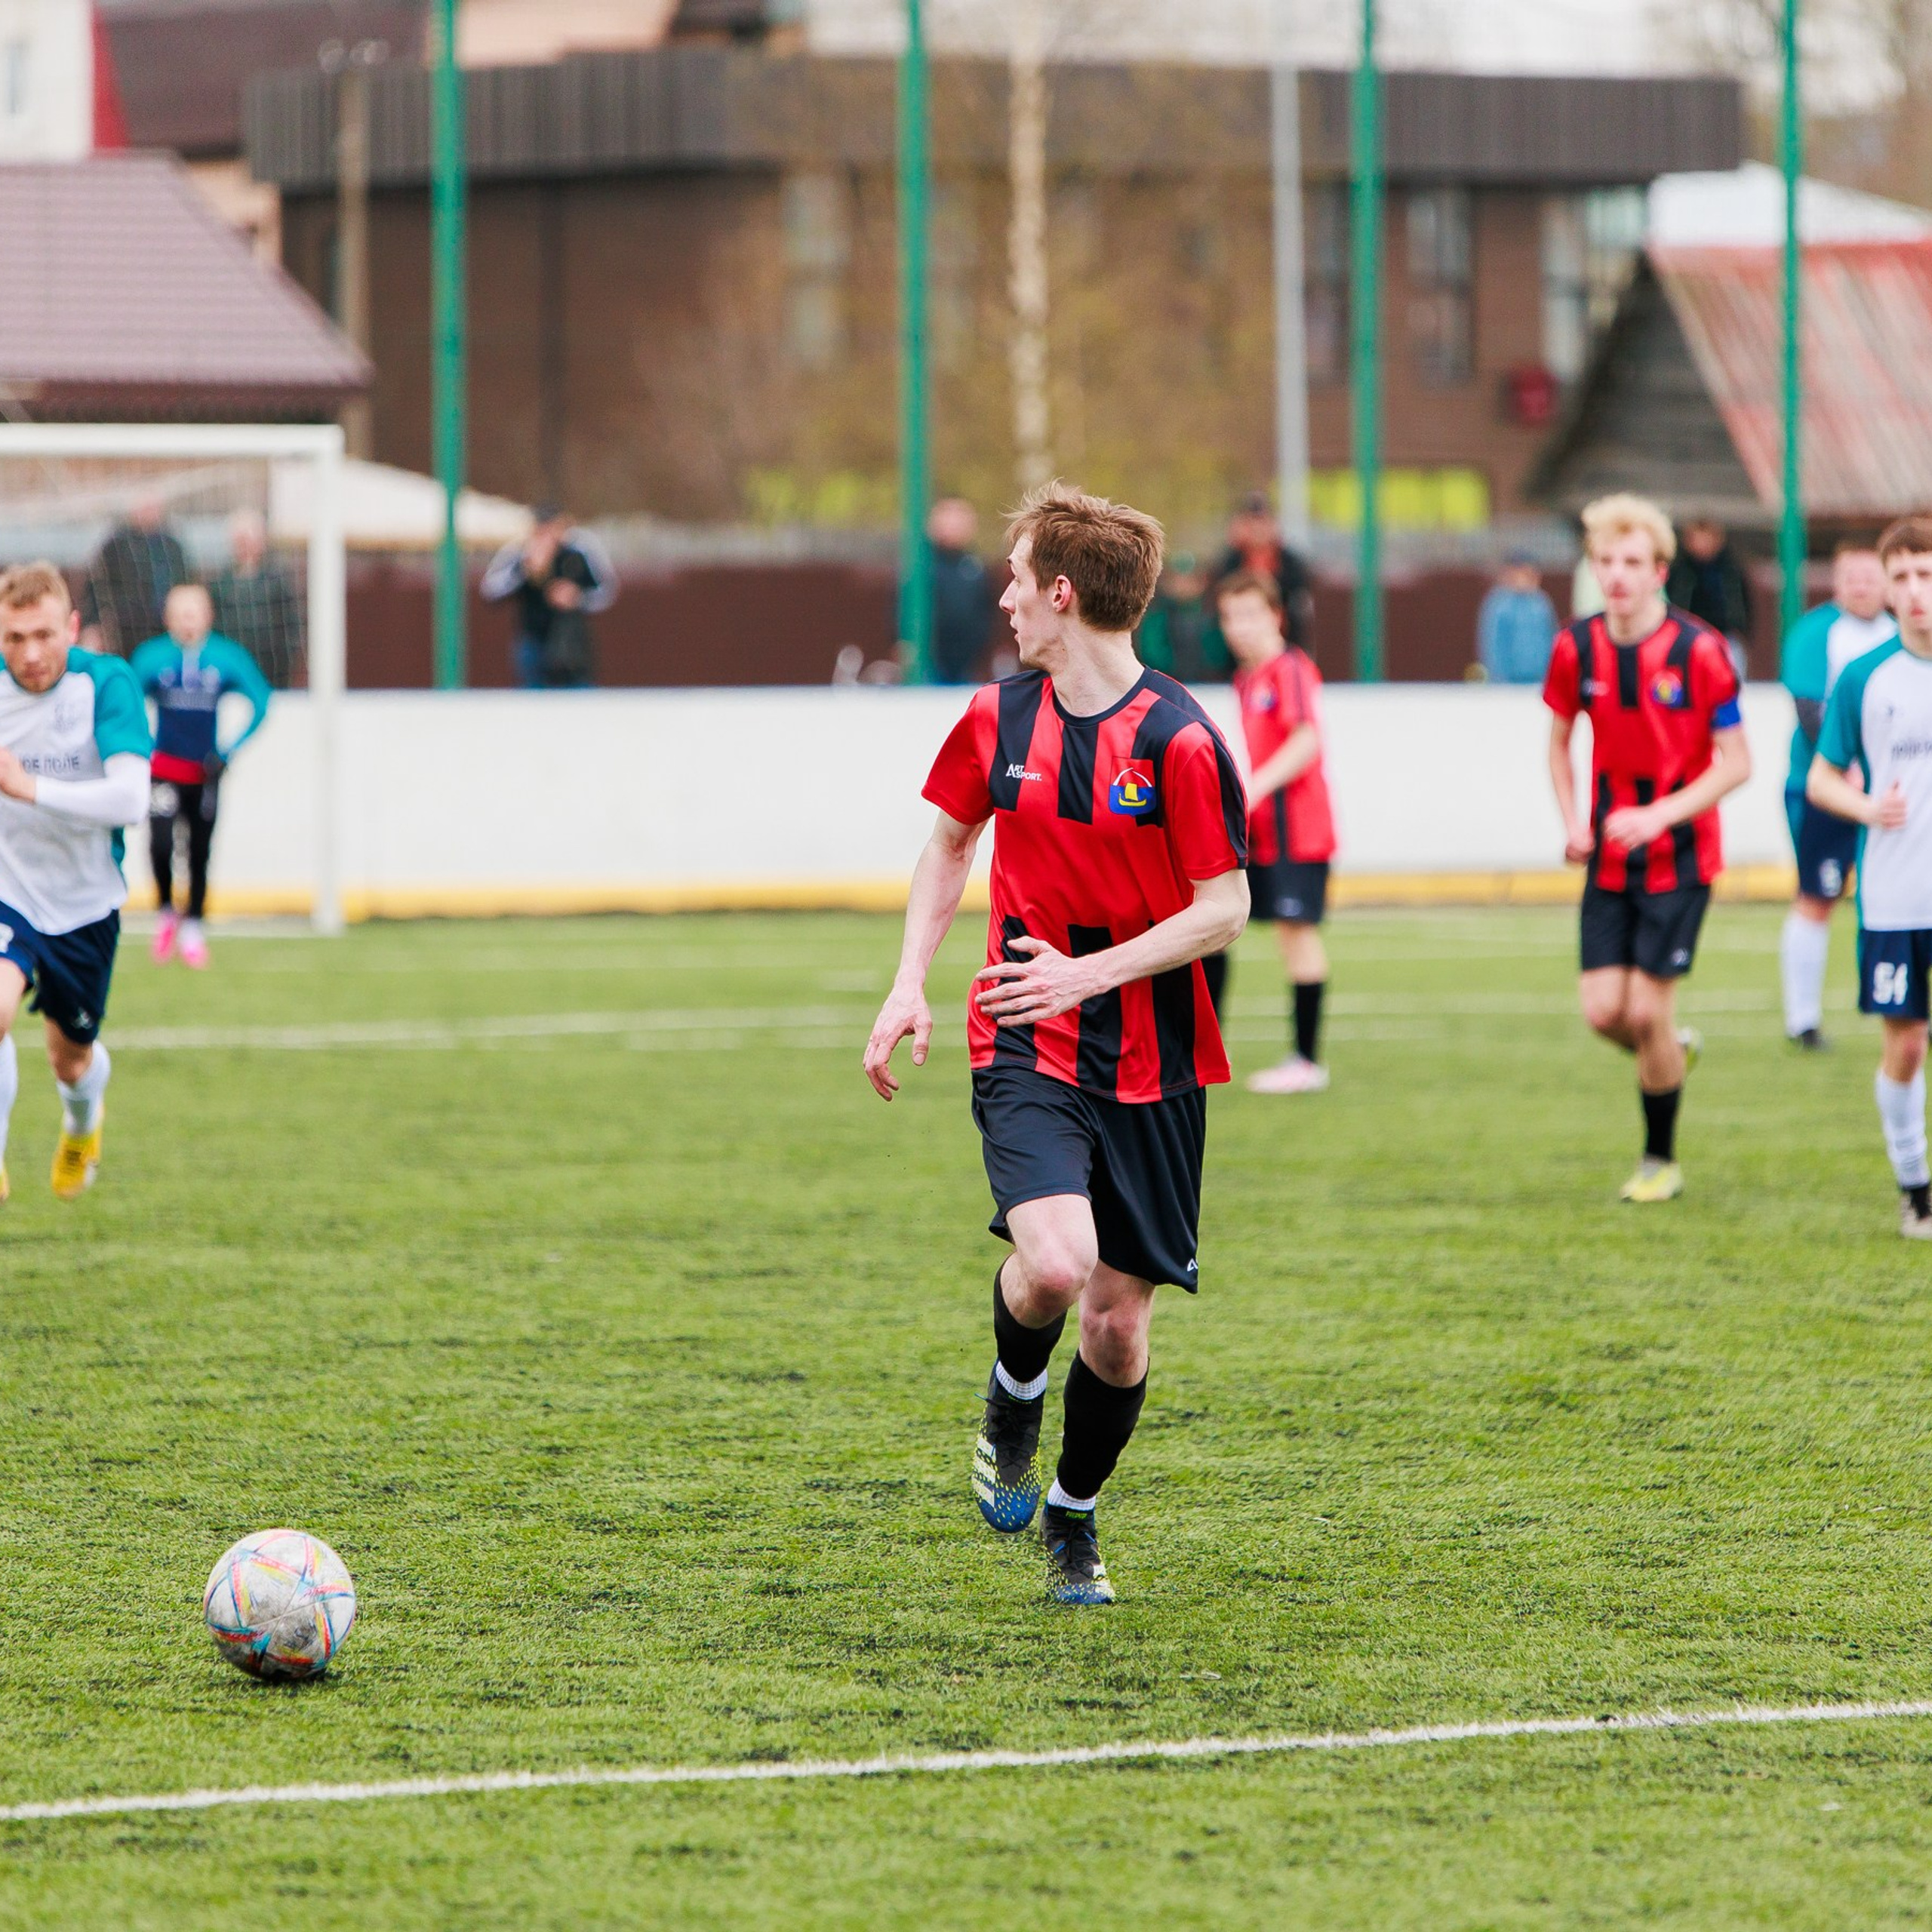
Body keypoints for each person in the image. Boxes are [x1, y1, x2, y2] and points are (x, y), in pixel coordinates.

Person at [862, 482, 1248, 1606]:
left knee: (1120, 1326)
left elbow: (1223, 905)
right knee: (1057, 1265)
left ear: (1062, 594)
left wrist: (1094, 969)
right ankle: (1009, 1390)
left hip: (1159, 1059)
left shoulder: (1179, 739)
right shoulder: (996, 719)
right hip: (1025, 1034)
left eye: (1019, 577)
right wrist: (906, 986)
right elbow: (947, 845)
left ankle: (1075, 1518)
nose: (1004, 596)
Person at [1543, 493, 1752, 1204]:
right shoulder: (1576, 646)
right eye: (1605, 561)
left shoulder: (1701, 651)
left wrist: (1661, 815)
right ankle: (1671, 1051)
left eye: (1633, 562)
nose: (1618, 575)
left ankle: (1660, 1159)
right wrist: (1574, 819)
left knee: (1645, 1012)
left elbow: (1736, 762)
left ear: (1661, 569)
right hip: (1608, 857)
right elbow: (1557, 740)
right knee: (1605, 1013)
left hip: (1682, 856)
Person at [0, 561, 153, 1204]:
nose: (30, 653)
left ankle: (82, 1126)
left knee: (73, 1059)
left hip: (85, 906)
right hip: (9, 890)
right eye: (13, 639)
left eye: (43, 635)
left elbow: (130, 799)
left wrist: (30, 788)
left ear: (72, 627)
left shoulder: (107, 684)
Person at [1806, 517, 1932, 1239]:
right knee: (1907, 1046)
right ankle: (1915, 1185)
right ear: (1886, 587)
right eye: (1902, 578)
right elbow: (1823, 776)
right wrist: (1865, 805)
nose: (1914, 592)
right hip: (1894, 898)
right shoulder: (1864, 678)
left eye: (1925, 574)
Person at [1207, 569, 1337, 1094]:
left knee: (1296, 936)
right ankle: (1203, 1048)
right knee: (1213, 924)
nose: (1240, 627)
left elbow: (1307, 741)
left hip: (1298, 831)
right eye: (1230, 617)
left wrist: (1252, 788)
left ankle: (1307, 1061)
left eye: (1251, 614)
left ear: (1276, 618)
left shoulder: (1291, 670)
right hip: (1259, 831)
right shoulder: (1247, 679)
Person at [1778, 540, 1896, 1049]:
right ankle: (1802, 1019)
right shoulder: (1815, 632)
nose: (1862, 587)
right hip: (1823, 792)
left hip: (1891, 798)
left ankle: (1904, 1004)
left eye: (1872, 577)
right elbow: (1810, 711)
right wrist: (1844, 769)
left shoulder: (1902, 634)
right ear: (1837, 581)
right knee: (1817, 897)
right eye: (1852, 577)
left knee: (1903, 899)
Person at [129, 585, 272, 971]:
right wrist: (141, 747)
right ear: (168, 617)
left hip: (203, 772)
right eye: (180, 612)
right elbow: (127, 701)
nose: (187, 620)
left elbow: (260, 702)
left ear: (208, 615)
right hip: (163, 770)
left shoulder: (225, 657)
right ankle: (164, 913)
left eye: (194, 612)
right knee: (159, 843)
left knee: (199, 849)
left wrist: (227, 752)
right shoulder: (151, 657)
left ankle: (193, 925)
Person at [480, 506, 617, 689]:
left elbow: (606, 590)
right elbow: (491, 591)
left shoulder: (579, 552)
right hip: (533, 639)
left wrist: (578, 597)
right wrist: (524, 570)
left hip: (572, 641)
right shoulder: (518, 552)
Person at [79, 495, 189, 658]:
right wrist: (93, 624)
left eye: (152, 507)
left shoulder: (171, 545)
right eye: (144, 507)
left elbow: (184, 585)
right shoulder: (116, 545)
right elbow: (96, 587)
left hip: (165, 630)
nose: (149, 512)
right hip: (124, 630)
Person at [210, 510, 303, 691]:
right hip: (231, 664)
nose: (245, 545)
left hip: (271, 666)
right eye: (240, 540)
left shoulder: (277, 579)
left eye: (250, 539)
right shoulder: (220, 582)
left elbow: (291, 625)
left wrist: (287, 660)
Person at [1216, 490, 1314, 651]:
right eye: (1251, 522)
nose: (1257, 528)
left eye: (1262, 521)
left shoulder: (1291, 564)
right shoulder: (1231, 562)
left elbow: (1300, 609)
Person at [1667, 516, 1754, 678]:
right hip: (1687, 637)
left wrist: (1741, 630)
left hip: (1726, 636)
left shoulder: (1731, 570)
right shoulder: (1679, 571)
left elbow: (1744, 604)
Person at [927, 497, 996, 685]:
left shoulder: (976, 566)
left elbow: (986, 610)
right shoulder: (921, 565)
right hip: (930, 667)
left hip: (968, 667)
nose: (953, 525)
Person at [1476, 552, 1558, 685]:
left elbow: (1551, 637)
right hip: (1509, 681)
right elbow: (1493, 644)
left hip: (1539, 679)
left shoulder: (1541, 602)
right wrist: (1499, 678)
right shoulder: (1499, 604)